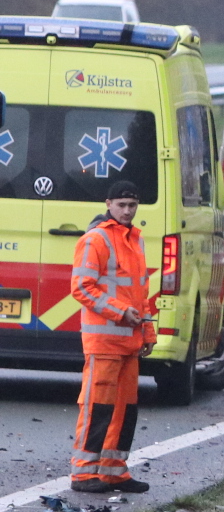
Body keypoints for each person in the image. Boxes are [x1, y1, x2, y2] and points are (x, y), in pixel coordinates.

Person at [70, 180, 156, 494]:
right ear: (109, 204)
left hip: (129, 343)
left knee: (125, 409)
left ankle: (113, 470)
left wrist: (147, 330)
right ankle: (83, 472)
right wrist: (120, 312)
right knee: (98, 407)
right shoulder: (96, 239)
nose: (127, 211)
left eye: (132, 205)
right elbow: (81, 287)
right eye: (121, 205)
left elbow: (141, 293)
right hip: (104, 342)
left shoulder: (136, 240)